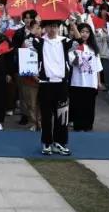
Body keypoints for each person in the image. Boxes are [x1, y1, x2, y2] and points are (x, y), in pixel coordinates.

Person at [32, 18, 77, 156]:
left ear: (59, 28)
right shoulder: (39, 41)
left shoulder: (64, 41)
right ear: (45, 28)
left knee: (62, 115)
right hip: (45, 83)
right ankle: (46, 143)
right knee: (46, 116)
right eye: (50, 26)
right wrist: (38, 23)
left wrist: (73, 23)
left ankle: (60, 143)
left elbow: (79, 40)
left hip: (61, 84)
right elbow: (27, 42)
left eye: (55, 26)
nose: (52, 29)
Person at [69, 24, 101, 132]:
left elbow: (97, 67)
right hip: (77, 81)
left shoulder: (94, 48)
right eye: (82, 31)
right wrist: (79, 54)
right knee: (78, 105)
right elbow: (73, 62)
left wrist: (98, 82)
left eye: (87, 32)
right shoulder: (73, 46)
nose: (84, 34)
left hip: (91, 82)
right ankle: (78, 125)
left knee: (89, 105)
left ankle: (88, 125)